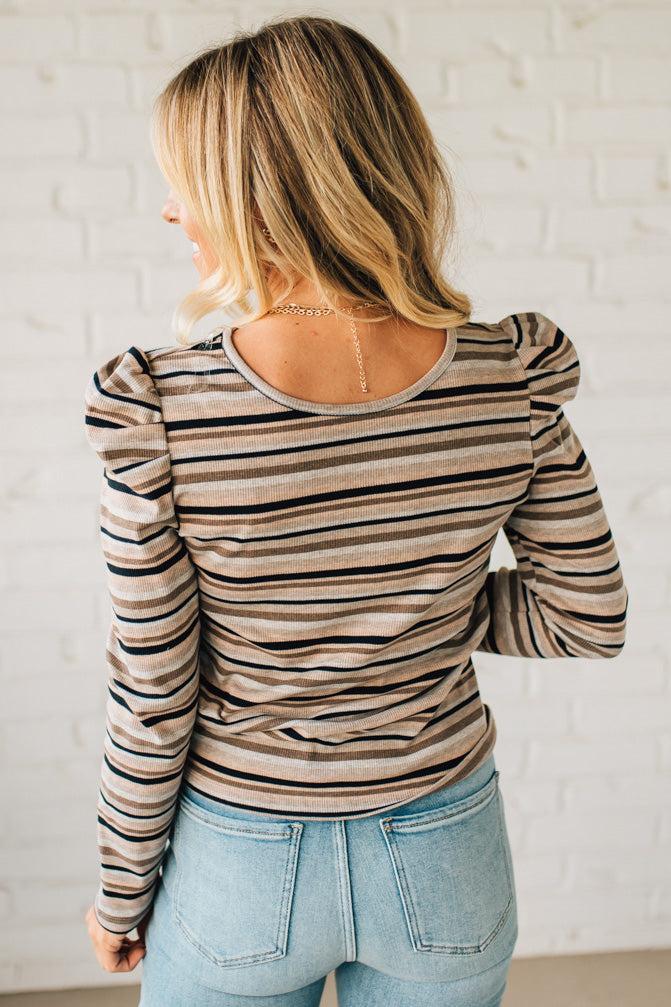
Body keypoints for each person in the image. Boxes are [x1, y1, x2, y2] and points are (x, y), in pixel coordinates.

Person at [82, 14, 628, 1006]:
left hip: (240, 861)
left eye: (185, 182)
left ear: (253, 196)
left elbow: (156, 695)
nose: (170, 212)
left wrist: (121, 894)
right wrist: (419, 609)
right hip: (444, 851)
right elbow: (583, 617)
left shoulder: (159, 413)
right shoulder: (513, 375)